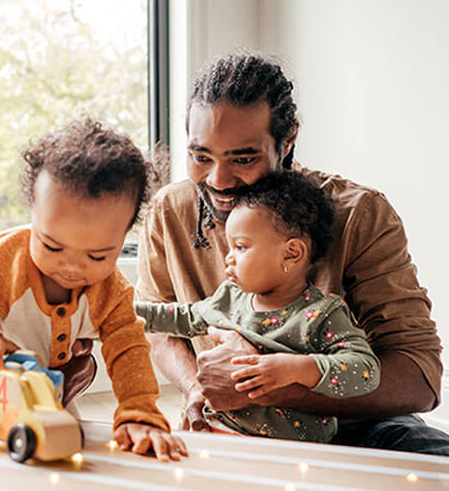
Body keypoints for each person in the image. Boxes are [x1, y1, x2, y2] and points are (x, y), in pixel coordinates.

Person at [137, 52, 449, 454]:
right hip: (233, 425)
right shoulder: (169, 211)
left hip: (358, 427)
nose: (218, 180)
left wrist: (269, 385)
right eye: (201, 156)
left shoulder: (359, 213)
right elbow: (162, 328)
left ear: (287, 141)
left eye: (243, 158)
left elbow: (420, 378)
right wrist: (201, 389)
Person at [0, 118, 187, 462]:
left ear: (125, 236)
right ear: (32, 212)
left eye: (98, 255)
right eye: (52, 247)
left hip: (46, 400)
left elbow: (129, 349)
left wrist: (139, 414)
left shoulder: (111, 289)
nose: (72, 267)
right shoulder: (8, 257)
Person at [137, 171, 380, 442]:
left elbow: (365, 370)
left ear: (291, 253)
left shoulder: (322, 315)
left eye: (240, 247)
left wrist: (294, 368)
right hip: (219, 436)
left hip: (293, 455)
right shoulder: (230, 297)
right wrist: (119, 312)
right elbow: (182, 317)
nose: (228, 258)